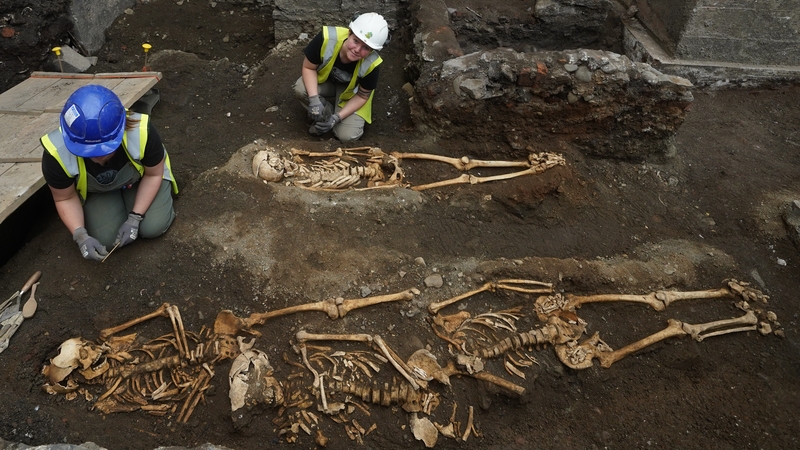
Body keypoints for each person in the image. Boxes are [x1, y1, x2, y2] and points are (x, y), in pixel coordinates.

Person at [40, 84, 178, 262]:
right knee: (106, 239)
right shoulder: (56, 152)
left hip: (142, 180)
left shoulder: (141, 131)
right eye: (88, 151)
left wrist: (135, 218)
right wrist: (80, 235)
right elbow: (64, 198)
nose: (97, 157)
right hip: (99, 191)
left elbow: (153, 174)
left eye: (104, 149)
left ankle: (135, 207)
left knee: (153, 227)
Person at [294, 12, 389, 143]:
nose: (357, 49)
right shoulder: (327, 38)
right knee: (301, 88)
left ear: (372, 50)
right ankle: (325, 114)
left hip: (352, 94)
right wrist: (314, 101)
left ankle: (332, 119)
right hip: (327, 82)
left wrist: (336, 118)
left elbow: (362, 96)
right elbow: (308, 68)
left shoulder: (372, 64)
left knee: (347, 136)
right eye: (355, 41)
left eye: (366, 48)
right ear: (349, 33)